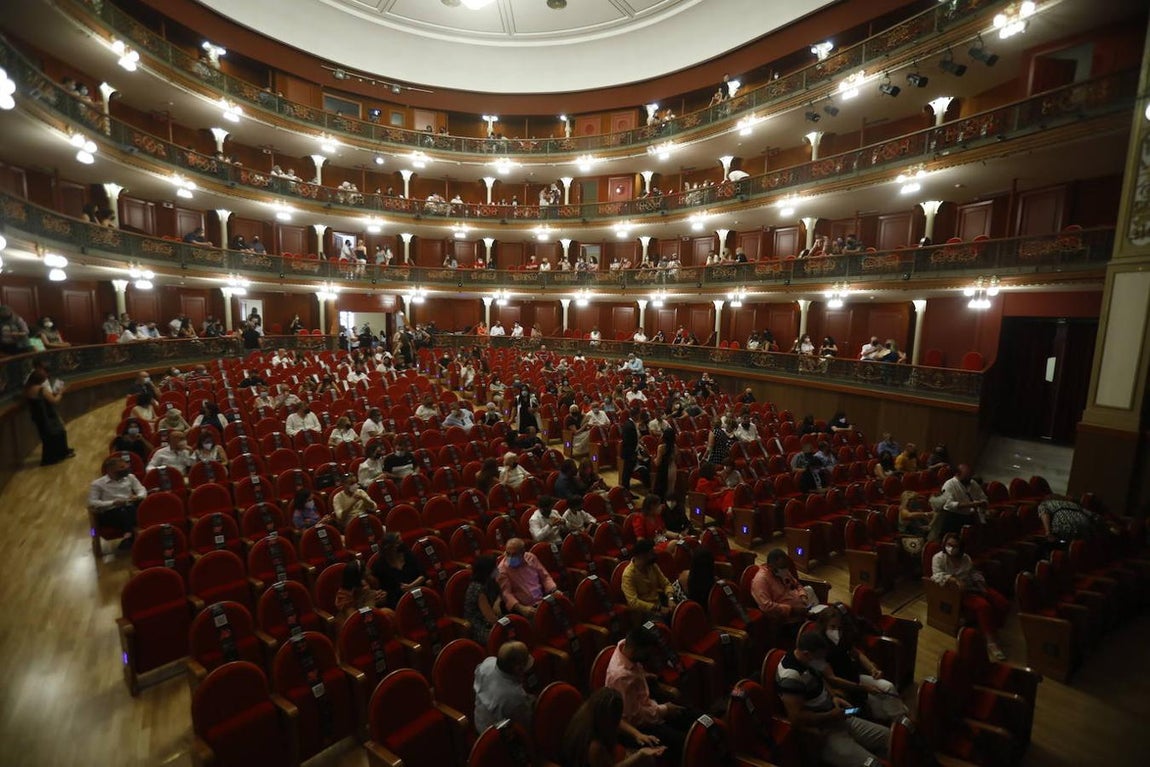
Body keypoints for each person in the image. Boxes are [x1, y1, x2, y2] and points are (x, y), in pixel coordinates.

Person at [776, 631, 890, 767]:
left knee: (889, 738)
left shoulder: (807, 660)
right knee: (873, 764)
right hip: (823, 730)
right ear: (807, 654)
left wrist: (834, 697)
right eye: (819, 658)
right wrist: (829, 715)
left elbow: (822, 680)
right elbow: (796, 717)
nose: (822, 662)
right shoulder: (791, 676)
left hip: (838, 716)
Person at [605, 625, 695, 762]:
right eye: (646, 653)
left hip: (648, 704)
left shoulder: (625, 646)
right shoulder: (621, 677)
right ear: (635, 650)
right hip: (638, 725)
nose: (649, 657)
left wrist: (644, 675)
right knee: (684, 743)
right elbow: (634, 716)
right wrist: (664, 710)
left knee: (692, 715)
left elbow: (634, 674)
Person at [814, 605, 908, 722]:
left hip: (855, 678)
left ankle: (902, 723)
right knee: (867, 712)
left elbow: (856, 653)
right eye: (832, 627)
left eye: (839, 628)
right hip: (842, 688)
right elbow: (832, 678)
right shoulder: (819, 645)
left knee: (888, 687)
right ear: (824, 626)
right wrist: (865, 688)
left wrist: (872, 669)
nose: (837, 632)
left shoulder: (842, 638)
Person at [932, 533, 1009, 660]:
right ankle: (991, 641)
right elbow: (937, 575)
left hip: (973, 585)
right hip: (958, 592)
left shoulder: (965, 558)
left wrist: (980, 583)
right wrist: (954, 580)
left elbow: (972, 572)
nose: (951, 548)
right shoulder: (939, 558)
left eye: (955, 546)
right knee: (983, 606)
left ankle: (993, 628)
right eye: (949, 545)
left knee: (1002, 602)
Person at [561, 687, 666, 767]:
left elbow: (619, 722)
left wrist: (638, 734)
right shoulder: (595, 747)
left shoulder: (590, 713)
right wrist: (638, 756)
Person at [473, 641, 535, 733]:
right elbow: (525, 725)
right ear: (518, 669)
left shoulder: (488, 662)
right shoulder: (514, 696)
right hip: (495, 736)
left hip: (479, 719)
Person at [751, 549, 819, 631]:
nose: (785, 570)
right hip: (786, 621)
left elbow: (797, 585)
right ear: (770, 566)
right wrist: (792, 610)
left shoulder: (782, 570)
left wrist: (803, 596)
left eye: (785, 566)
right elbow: (767, 607)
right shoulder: (760, 580)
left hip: (803, 611)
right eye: (782, 567)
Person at [88, 455, 146, 549]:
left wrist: (138, 496)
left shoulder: (130, 477)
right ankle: (137, 535)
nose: (127, 468)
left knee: (129, 509)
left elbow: (142, 490)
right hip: (110, 512)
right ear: (111, 470)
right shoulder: (97, 484)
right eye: (122, 467)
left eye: (126, 466)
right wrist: (112, 503)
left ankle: (128, 536)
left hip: (130, 507)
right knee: (124, 512)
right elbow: (92, 502)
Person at [496, 537, 558, 618]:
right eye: (508, 553)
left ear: (522, 552)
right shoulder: (502, 569)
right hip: (524, 608)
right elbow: (506, 594)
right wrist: (521, 608)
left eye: (514, 554)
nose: (510, 557)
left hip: (542, 600)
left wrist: (554, 590)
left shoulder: (531, 558)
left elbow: (545, 577)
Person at [621, 539, 675, 619]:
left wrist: (670, 599)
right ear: (641, 556)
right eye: (651, 553)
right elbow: (633, 602)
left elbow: (666, 583)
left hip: (659, 602)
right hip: (645, 611)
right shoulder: (628, 575)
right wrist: (657, 608)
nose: (654, 555)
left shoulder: (652, 566)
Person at [370, 533, 425, 609]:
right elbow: (379, 590)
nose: (399, 546)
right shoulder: (379, 566)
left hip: (417, 591)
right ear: (388, 548)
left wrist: (411, 586)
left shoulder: (407, 554)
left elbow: (423, 575)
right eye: (397, 544)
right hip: (395, 601)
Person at [935, 463, 989, 538]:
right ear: (957, 474)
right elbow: (948, 504)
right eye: (966, 476)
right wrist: (971, 504)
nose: (969, 478)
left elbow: (983, 497)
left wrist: (983, 503)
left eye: (970, 476)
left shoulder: (972, 483)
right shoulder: (949, 484)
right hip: (954, 518)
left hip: (970, 516)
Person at [464, 555, 503, 646]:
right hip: (480, 624)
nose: (497, 570)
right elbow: (491, 619)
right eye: (495, 568)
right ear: (487, 571)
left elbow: (499, 594)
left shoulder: (490, 581)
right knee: (504, 633)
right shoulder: (477, 589)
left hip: (492, 617)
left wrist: (497, 602)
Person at [619, 408, 640, 494]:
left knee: (628, 473)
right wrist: (632, 454)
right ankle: (625, 493)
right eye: (638, 415)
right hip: (629, 454)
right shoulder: (629, 425)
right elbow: (627, 441)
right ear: (635, 415)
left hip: (633, 452)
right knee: (626, 474)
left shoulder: (632, 424)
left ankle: (627, 492)